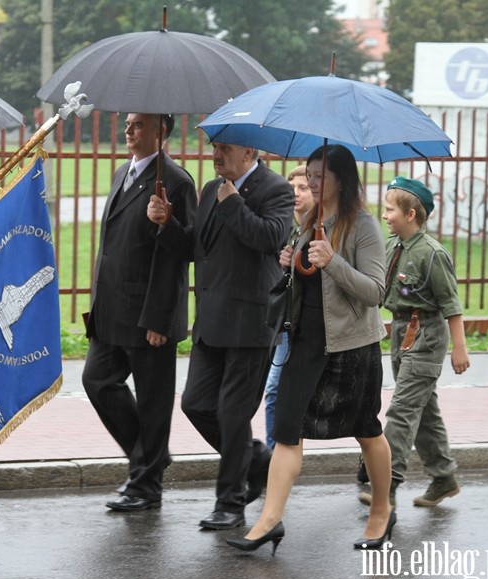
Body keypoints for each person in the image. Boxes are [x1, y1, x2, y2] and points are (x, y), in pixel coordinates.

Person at [226, 144, 393, 555]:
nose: (312, 181)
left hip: (350, 347)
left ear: (342, 179)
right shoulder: (308, 220)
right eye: (310, 174)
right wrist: (290, 263)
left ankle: (382, 509)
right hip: (304, 342)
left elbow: (376, 291)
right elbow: (306, 282)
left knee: (367, 430)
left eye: (320, 175)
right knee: (286, 432)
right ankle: (269, 520)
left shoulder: (363, 226)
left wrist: (333, 260)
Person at [147, 142, 293, 529]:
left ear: (248, 152)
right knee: (195, 404)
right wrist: (167, 224)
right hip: (211, 322)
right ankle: (255, 458)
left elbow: (270, 238)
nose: (215, 155)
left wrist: (233, 202)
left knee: (232, 415)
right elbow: (197, 248)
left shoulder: (275, 188)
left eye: (224, 149)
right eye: (214, 147)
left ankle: (230, 504)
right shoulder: (212, 188)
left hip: (250, 323)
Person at [82, 113, 197, 511]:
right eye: (128, 124)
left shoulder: (178, 182)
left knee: (153, 400)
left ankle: (146, 485)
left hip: (149, 313)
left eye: (139, 125)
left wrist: (160, 319)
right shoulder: (122, 172)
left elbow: (183, 256)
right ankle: (149, 459)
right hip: (112, 308)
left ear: (161, 131)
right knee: (97, 381)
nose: (129, 131)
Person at [357, 176, 470, 509]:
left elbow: (451, 304)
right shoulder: (392, 246)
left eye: (390, 210)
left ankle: (386, 486)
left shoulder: (433, 254)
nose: (385, 215)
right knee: (424, 411)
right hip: (400, 333)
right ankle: (444, 477)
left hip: (427, 335)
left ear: (410, 214)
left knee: (403, 411)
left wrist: (459, 348)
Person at [262, 166, 315, 451]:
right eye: (291, 187)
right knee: (274, 390)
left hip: (313, 324)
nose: (295, 193)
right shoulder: (285, 227)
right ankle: (274, 456)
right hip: (286, 321)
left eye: (303, 188)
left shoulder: (321, 228)